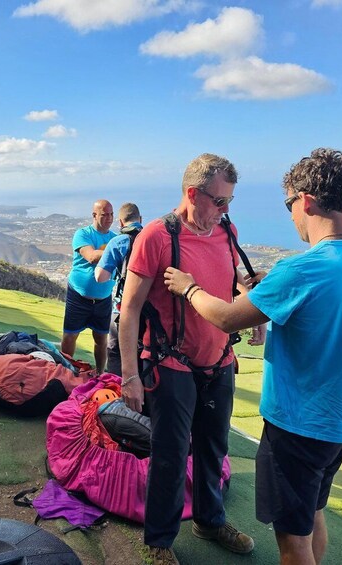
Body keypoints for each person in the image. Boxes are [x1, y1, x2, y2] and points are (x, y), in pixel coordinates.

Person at [163, 148, 342, 565]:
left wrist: (188, 288)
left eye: (289, 205)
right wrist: (265, 291)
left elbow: (227, 319)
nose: (291, 216)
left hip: (297, 428)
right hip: (339, 425)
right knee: (312, 518)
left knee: (292, 543)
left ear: (306, 200)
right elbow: (315, 314)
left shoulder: (304, 269)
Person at [119, 154, 260, 564]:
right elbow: (129, 310)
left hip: (218, 358)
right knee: (171, 453)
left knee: (214, 447)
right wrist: (130, 375)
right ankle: (159, 542)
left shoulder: (225, 228)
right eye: (219, 201)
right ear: (193, 193)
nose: (226, 209)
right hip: (171, 361)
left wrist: (250, 306)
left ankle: (209, 520)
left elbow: (233, 275)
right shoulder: (156, 237)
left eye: (230, 200)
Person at [61, 199, 116, 374]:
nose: (108, 218)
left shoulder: (115, 239)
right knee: (70, 336)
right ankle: (64, 372)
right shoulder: (82, 234)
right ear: (94, 215)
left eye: (111, 214)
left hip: (103, 298)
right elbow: (91, 256)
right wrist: (118, 250)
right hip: (78, 296)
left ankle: (100, 373)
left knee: (101, 338)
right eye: (104, 214)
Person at [94, 202, 143, 376]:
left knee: (115, 351)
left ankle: (116, 394)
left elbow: (100, 277)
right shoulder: (154, 239)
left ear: (121, 223)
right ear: (141, 219)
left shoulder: (117, 242)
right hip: (151, 311)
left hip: (123, 309)